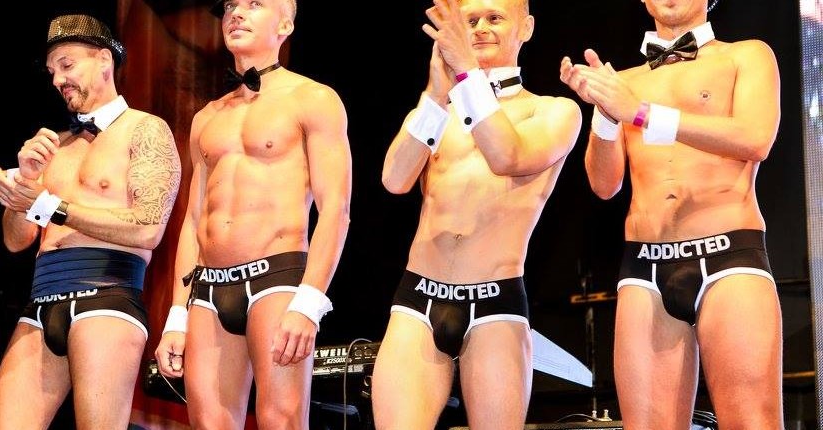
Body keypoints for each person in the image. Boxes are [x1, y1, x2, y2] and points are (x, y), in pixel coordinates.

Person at [559, 0, 782, 427]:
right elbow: (604, 185)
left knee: (751, 421)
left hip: (727, 258)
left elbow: (755, 138)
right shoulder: (624, 83)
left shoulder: (746, 55)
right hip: (645, 266)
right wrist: (606, 113)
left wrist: (641, 112)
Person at [370, 0, 582, 428]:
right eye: (471, 21)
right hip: (419, 298)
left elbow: (507, 156)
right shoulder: (437, 110)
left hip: (495, 303)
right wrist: (435, 96)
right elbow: (394, 179)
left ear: (526, 28)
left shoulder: (553, 111)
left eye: (494, 18)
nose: (481, 28)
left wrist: (466, 73)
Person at [153, 0, 352, 428]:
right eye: (230, 6)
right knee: (209, 423)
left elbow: (336, 207)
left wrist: (310, 301)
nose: (236, 14)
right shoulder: (207, 116)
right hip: (208, 286)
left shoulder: (313, 99)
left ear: (285, 25)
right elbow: (193, 220)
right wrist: (176, 315)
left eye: (254, 4)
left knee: (280, 419)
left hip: (275, 277)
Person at [0, 14, 181, 429]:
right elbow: (15, 241)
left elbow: (148, 227)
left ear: (104, 60)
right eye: (52, 71)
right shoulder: (55, 145)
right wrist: (26, 182)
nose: (58, 79)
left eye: (67, 64)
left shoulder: (145, 129)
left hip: (106, 295)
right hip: (41, 301)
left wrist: (50, 206)